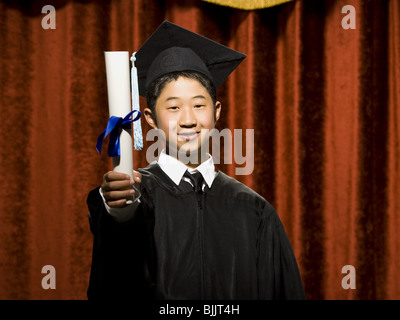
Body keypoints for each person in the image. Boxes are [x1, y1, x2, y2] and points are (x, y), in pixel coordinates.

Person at [87, 21, 306, 300]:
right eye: (174, 107)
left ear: (216, 112)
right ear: (151, 118)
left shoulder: (253, 209)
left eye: (199, 105)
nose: (188, 119)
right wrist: (115, 207)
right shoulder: (138, 195)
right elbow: (114, 269)